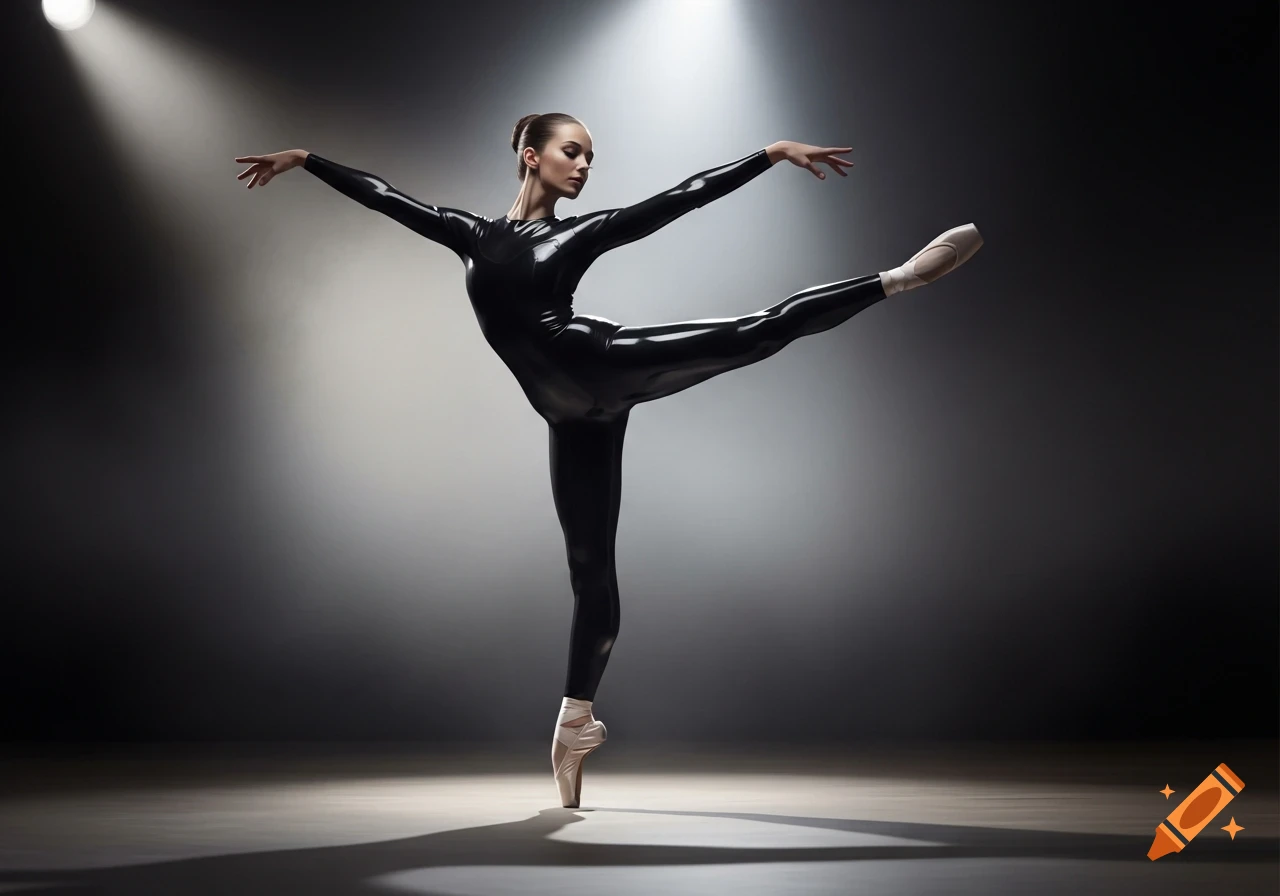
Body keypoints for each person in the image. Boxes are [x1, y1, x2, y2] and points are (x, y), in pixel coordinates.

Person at [234, 112, 982, 808]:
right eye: (572, 151)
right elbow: (384, 198)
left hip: (600, 362)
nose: (585, 165)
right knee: (590, 572)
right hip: (574, 415)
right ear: (531, 155)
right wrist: (305, 159)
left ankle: (899, 277)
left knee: (755, 332)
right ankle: (574, 724)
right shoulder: (470, 234)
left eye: (591, 156)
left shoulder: (581, 233)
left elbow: (678, 199)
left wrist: (768, 155)